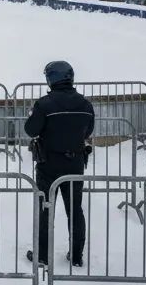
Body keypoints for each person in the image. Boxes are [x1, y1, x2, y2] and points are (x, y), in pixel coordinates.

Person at [24, 61, 95, 267]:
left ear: (51, 79)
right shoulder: (85, 104)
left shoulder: (44, 104)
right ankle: (76, 255)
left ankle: (43, 256)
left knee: (45, 208)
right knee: (75, 210)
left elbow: (31, 130)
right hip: (76, 163)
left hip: (49, 164)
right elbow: (88, 130)